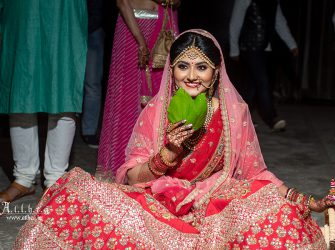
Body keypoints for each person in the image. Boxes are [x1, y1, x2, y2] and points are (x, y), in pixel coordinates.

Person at [13, 30, 333, 249]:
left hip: (215, 203)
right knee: (78, 198)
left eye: (201, 67)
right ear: (172, 69)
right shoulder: (157, 110)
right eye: (182, 66)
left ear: (216, 73)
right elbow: (131, 177)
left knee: (279, 215)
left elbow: (257, 174)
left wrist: (308, 202)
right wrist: (165, 154)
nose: (191, 75)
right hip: (161, 203)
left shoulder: (235, 113)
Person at [0, 0, 87, 202]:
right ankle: (24, 178)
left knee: (62, 90)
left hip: (63, 9)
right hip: (23, 10)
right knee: (22, 91)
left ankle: (55, 179)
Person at [97, 0, 180, 180]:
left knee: (162, 98)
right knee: (126, 100)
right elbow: (121, 2)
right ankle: (122, 167)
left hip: (163, 27)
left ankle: (156, 167)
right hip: (132, 28)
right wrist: (141, 41)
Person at [229, 0, 298, 131]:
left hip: (265, 49)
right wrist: (234, 49)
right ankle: (271, 118)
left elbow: (280, 23)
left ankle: (240, 118)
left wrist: (292, 44)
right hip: (249, 48)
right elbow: (235, 23)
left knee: (252, 87)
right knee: (263, 81)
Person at [81, 0, 106, 148]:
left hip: (92, 30)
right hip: (68, 29)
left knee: (92, 82)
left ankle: (89, 131)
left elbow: (98, 9)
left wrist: (86, 27)